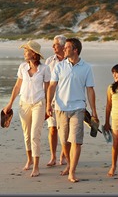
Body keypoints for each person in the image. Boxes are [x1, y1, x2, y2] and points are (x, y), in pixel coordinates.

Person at [46, 37, 98, 183]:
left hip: (78, 108)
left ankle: (72, 172)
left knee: (76, 141)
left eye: (67, 47)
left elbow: (90, 90)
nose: (64, 49)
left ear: (75, 50)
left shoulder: (86, 68)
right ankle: (69, 164)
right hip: (61, 108)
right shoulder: (59, 66)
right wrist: (48, 104)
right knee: (65, 142)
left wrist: (94, 111)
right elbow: (52, 86)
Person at [2, 40, 51, 177]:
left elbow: (47, 89)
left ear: (34, 53)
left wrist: (48, 106)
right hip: (24, 104)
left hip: (39, 104)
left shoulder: (45, 69)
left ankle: (36, 166)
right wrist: (10, 103)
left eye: (27, 50)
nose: (24, 53)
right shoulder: (22, 67)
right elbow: (17, 87)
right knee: (27, 134)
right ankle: (29, 159)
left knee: (35, 134)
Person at [45, 35, 67, 167]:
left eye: (56, 44)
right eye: (53, 44)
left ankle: (63, 155)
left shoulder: (70, 61)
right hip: (51, 101)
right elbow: (46, 83)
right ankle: (53, 156)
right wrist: (46, 100)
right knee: (52, 129)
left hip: (66, 101)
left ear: (63, 46)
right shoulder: (49, 61)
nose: (53, 47)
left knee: (64, 130)